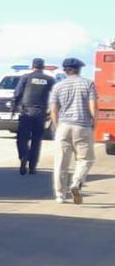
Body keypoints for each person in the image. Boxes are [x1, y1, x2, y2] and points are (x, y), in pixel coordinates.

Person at [49, 57, 98, 204]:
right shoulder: (88, 83)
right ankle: (76, 183)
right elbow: (93, 107)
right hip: (82, 126)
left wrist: (57, 127)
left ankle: (60, 195)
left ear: (65, 71)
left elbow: (53, 110)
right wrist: (94, 123)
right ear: (79, 69)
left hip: (63, 126)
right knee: (86, 159)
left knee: (61, 163)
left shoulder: (58, 87)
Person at [11, 58, 54, 175]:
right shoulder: (49, 79)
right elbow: (54, 96)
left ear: (32, 66)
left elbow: (18, 93)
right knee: (36, 140)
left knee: (22, 138)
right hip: (41, 113)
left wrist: (14, 107)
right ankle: (32, 167)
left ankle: (24, 155)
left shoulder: (26, 77)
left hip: (26, 112)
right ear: (43, 67)